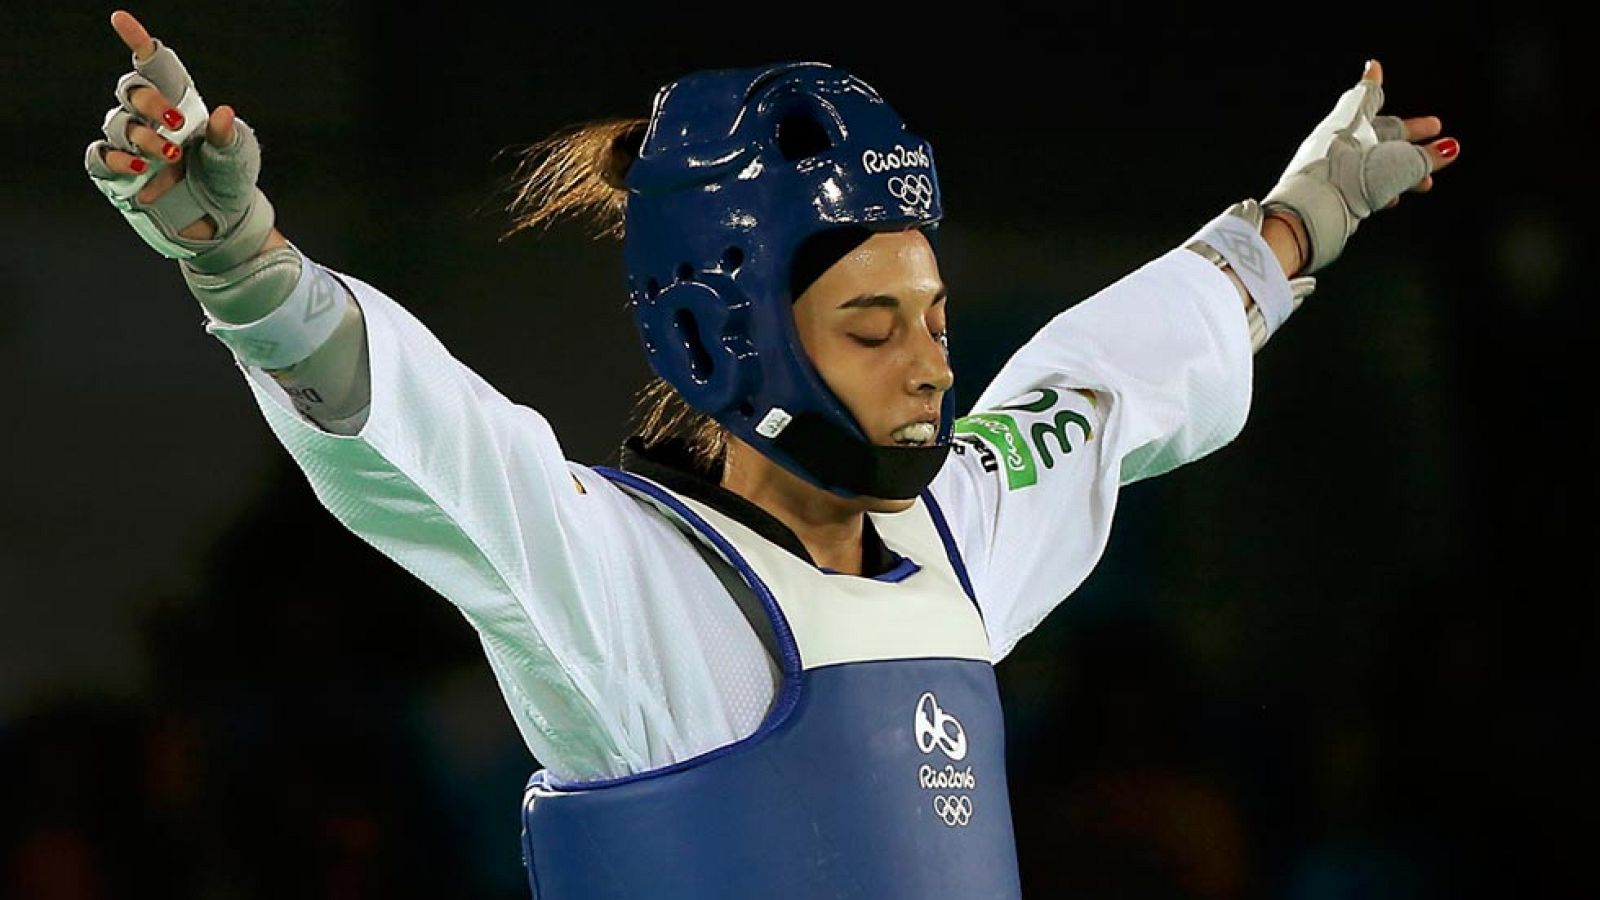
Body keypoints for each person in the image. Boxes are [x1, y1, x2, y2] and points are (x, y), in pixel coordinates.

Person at [84, 10, 1460, 899]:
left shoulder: (962, 537)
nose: (930, 362)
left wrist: (1308, 213)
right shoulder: (629, 585)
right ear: (727, 335)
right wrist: (241, 261)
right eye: (874, 325)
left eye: (929, 316)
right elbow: (426, 444)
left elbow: (1106, 385)